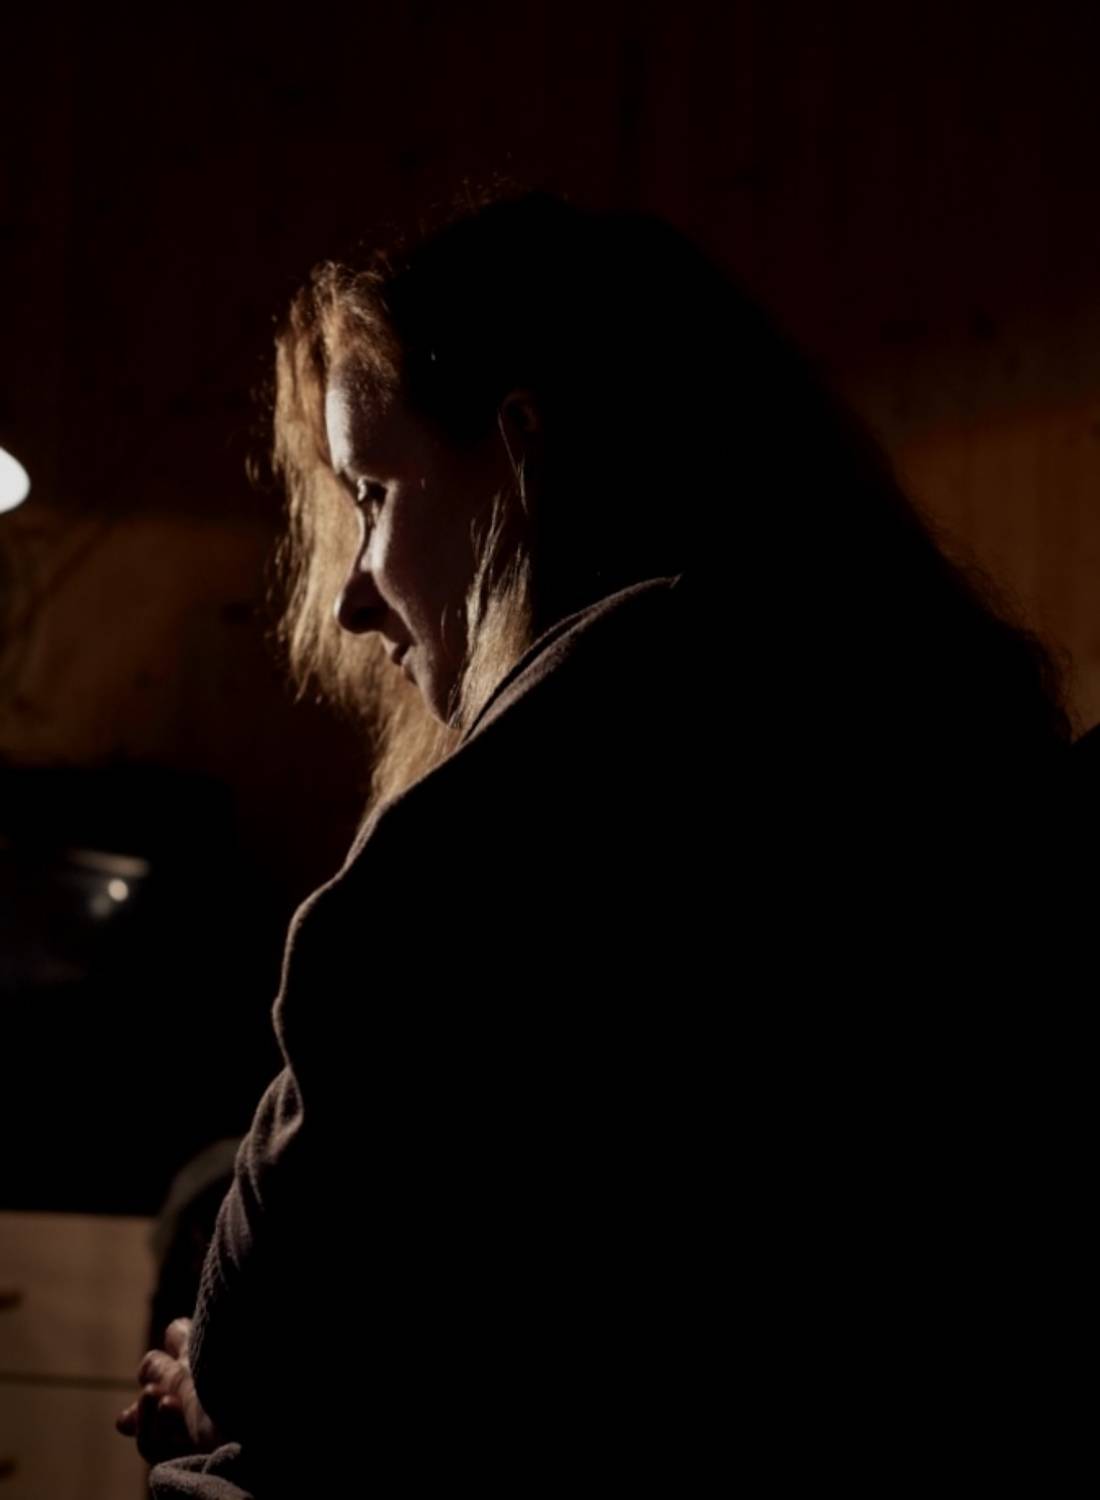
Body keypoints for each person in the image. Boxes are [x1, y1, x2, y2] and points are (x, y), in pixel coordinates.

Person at [117, 191, 1072, 1495]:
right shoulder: (956, 720)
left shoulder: (473, 853)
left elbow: (262, 1348)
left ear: (523, 452)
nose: (351, 599)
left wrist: (213, 1383)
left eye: (374, 493)